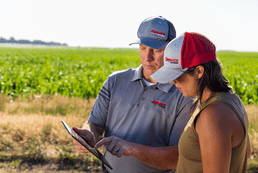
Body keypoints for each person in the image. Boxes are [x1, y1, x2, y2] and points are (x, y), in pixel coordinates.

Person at [73, 16, 194, 173]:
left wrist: (132, 149)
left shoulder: (183, 93)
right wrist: (88, 135)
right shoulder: (115, 81)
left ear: (172, 49)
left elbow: (177, 157)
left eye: (157, 50)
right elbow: (94, 124)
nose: (147, 57)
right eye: (143, 48)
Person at [150, 32, 252, 173]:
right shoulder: (231, 99)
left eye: (177, 75)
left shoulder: (213, 115)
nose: (173, 81)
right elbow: (244, 153)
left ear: (199, 71)